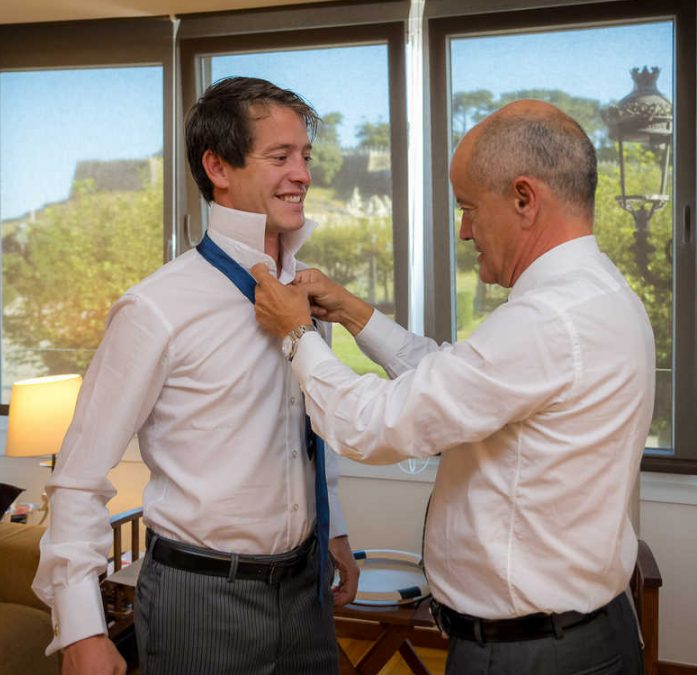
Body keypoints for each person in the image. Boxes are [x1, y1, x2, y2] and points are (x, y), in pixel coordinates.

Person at [252, 99, 654, 675]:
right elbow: (463, 382)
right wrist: (357, 315)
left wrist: (296, 334)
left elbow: (371, 425)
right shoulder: (597, 292)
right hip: (577, 637)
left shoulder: (547, 321)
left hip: (530, 656)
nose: (464, 231)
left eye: (468, 208)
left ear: (524, 199)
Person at [33, 76, 359, 675]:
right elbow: (78, 477)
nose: (303, 175)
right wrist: (81, 629)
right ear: (218, 167)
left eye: (306, 156)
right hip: (201, 599)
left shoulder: (306, 293)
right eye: (280, 157)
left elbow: (308, 425)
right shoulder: (155, 308)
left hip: (305, 590)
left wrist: (332, 526)